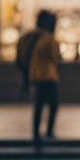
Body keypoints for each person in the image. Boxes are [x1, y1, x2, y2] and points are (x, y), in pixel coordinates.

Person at [24, 11, 60, 146]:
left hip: (34, 75)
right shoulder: (48, 38)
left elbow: (22, 56)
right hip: (49, 75)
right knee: (53, 104)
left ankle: (36, 133)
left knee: (38, 105)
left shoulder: (29, 37)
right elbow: (55, 57)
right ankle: (49, 131)